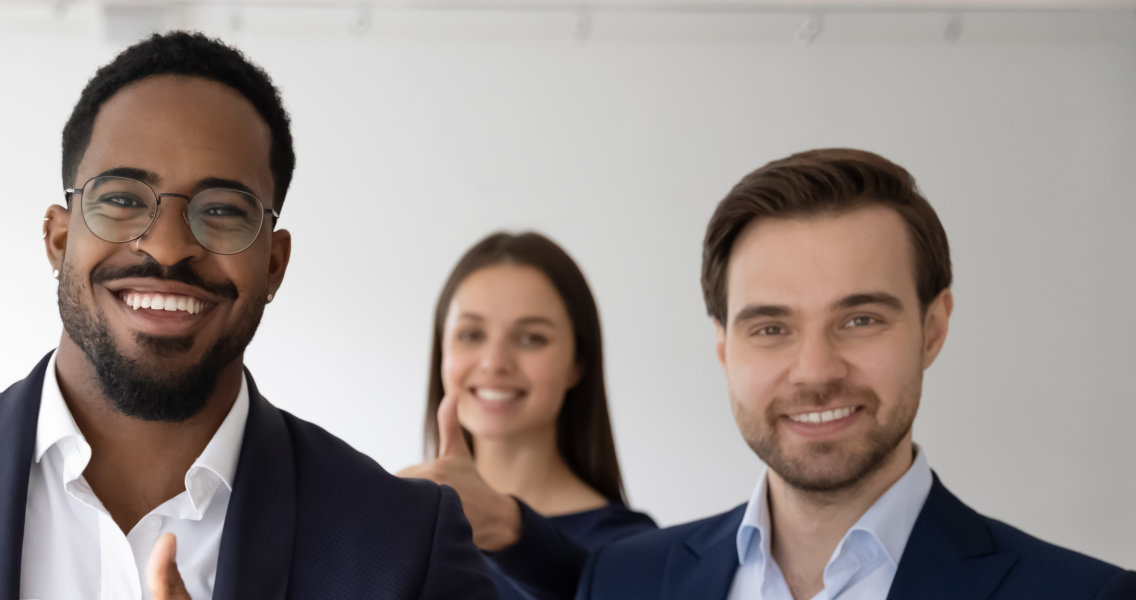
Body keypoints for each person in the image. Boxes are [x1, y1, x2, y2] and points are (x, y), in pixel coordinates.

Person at [0, 31, 498, 599]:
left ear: (274, 264)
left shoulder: (402, 545)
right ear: (58, 236)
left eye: (223, 211)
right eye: (121, 199)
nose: (168, 246)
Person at [474, 148, 1136, 600]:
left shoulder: (1085, 596)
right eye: (771, 328)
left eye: (860, 320)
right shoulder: (624, 581)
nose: (815, 371)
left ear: (933, 328)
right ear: (725, 348)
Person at [398, 231, 656, 598]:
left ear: (577, 363)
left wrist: (511, 530)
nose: (494, 363)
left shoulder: (637, 550)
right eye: (471, 334)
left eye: (531, 338)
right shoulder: (410, 522)